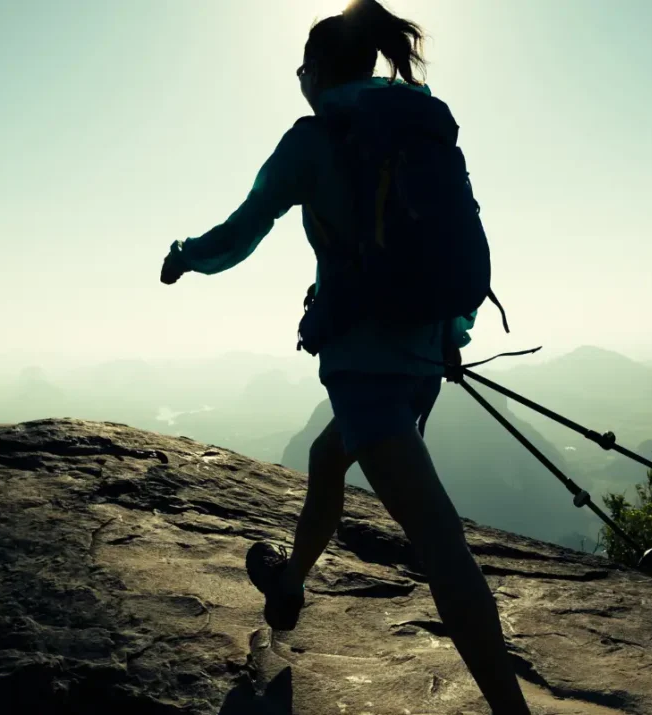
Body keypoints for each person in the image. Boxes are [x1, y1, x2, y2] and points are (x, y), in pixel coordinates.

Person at [158, 2, 531, 712]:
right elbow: (460, 245)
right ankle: (291, 584)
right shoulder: (417, 129)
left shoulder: (314, 140)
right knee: (329, 459)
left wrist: (185, 257)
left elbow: (242, 231)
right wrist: (451, 332)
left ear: (320, 71)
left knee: (439, 542)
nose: (298, 79)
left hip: (369, 373)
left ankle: (511, 708)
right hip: (423, 364)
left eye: (301, 67)